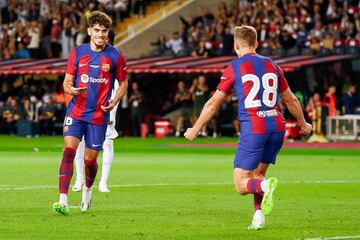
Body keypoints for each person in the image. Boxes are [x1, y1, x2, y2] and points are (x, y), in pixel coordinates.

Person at [184, 25, 312, 230]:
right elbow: (291, 100)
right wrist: (303, 123)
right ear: (257, 43)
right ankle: (258, 216)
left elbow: (213, 103)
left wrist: (195, 129)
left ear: (235, 45)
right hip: (277, 126)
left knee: (241, 184)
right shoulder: (273, 65)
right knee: (258, 174)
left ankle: (264, 187)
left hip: (255, 128)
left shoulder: (234, 67)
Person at [53, 11, 128, 215]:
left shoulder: (115, 56)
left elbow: (124, 84)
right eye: (96, 30)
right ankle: (63, 200)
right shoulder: (77, 52)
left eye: (104, 31)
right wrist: (70, 89)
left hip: (98, 116)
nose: (101, 34)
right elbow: (67, 81)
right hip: (76, 111)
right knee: (68, 151)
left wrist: (115, 100)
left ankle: (87, 189)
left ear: (108, 33)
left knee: (89, 161)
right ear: (89, 31)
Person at [72, 80, 120, 193]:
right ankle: (79, 179)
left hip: (104, 112)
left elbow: (117, 92)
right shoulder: (85, 67)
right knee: (80, 141)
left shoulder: (111, 70)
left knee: (108, 143)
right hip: (85, 111)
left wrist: (111, 114)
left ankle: (103, 182)